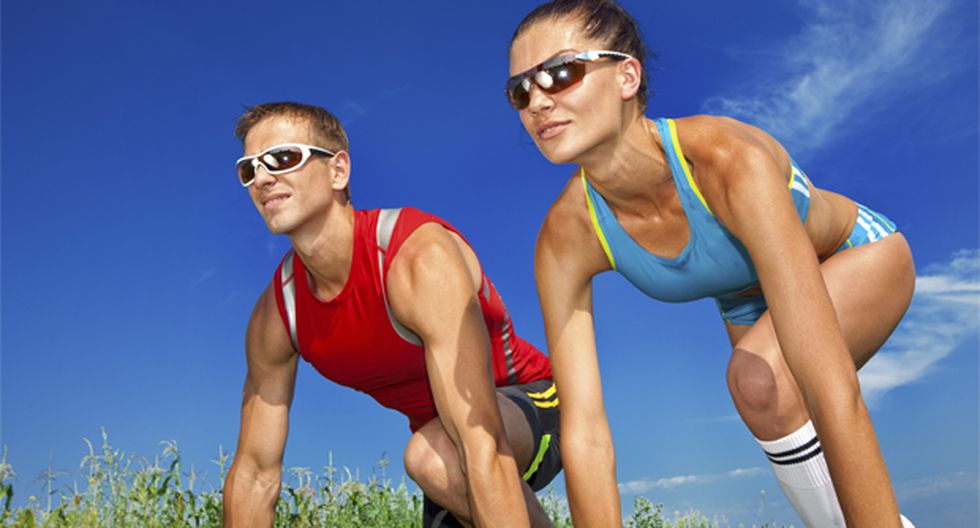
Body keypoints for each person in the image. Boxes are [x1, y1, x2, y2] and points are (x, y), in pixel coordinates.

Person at [505, 1, 916, 527]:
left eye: (560, 74)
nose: (537, 101)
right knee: (762, 394)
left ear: (627, 75)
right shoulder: (567, 234)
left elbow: (831, 388)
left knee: (765, 382)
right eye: (520, 90)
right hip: (745, 300)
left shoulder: (726, 162)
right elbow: (584, 433)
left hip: (854, 254)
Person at [221, 102, 561, 528]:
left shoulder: (415, 257)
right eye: (248, 169)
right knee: (435, 455)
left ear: (338, 171)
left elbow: (481, 441)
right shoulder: (278, 314)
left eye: (283, 158)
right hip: (445, 450)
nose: (263, 178)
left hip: (529, 405)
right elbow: (255, 472)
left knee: (430, 456)